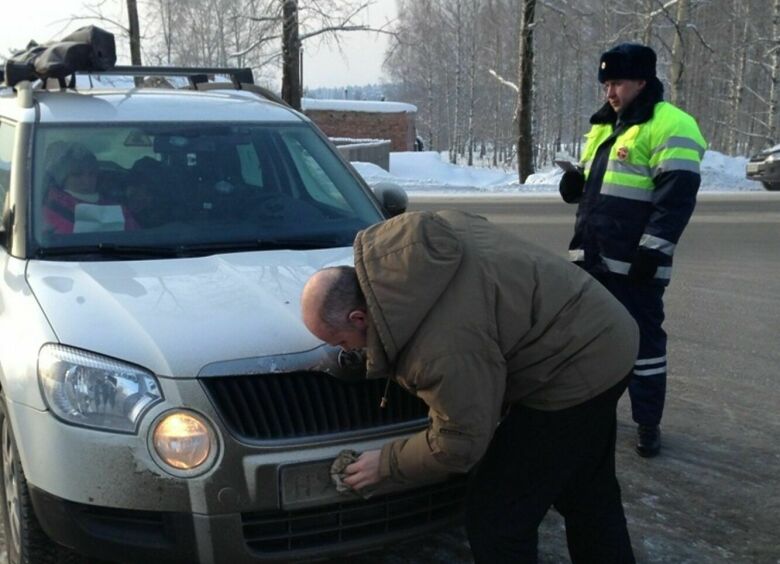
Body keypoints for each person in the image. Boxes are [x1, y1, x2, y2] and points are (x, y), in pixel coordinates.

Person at [301, 210, 639, 563]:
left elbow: (460, 442)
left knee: (496, 519)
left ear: (358, 317)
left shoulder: (442, 347)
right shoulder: (413, 250)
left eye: (341, 342)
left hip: (574, 369)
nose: (348, 353)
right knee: (586, 491)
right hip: (603, 328)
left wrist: (384, 465)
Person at [558, 43, 706, 458]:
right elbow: (596, 185)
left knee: (645, 351)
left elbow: (675, 200)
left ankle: (647, 423)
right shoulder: (606, 126)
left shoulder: (672, 125)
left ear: (642, 81)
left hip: (637, 266)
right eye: (605, 83)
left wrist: (653, 252)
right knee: (589, 344)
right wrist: (574, 184)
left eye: (617, 82)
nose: (610, 92)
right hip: (593, 259)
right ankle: (589, 416)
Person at [42, 142, 136, 234]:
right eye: (77, 175)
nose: (87, 181)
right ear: (62, 178)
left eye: (92, 174)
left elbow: (135, 238)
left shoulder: (118, 209)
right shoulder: (51, 211)